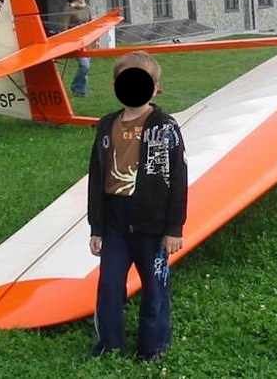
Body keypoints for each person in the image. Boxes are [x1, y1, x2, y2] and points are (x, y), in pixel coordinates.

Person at [87, 51, 188, 361]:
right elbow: (96, 176)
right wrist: (97, 227)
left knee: (155, 286)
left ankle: (152, 347)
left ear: (155, 88)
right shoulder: (106, 126)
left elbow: (178, 178)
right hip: (115, 221)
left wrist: (173, 228)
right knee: (109, 284)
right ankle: (109, 344)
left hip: (151, 221)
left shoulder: (165, 126)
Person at [60, 0, 93, 96]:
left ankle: (81, 92)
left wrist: (94, 38)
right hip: (75, 41)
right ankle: (75, 87)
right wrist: (66, 42)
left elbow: (91, 23)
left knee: (86, 68)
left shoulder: (87, 7)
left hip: (87, 40)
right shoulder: (69, 8)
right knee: (84, 66)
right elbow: (64, 27)